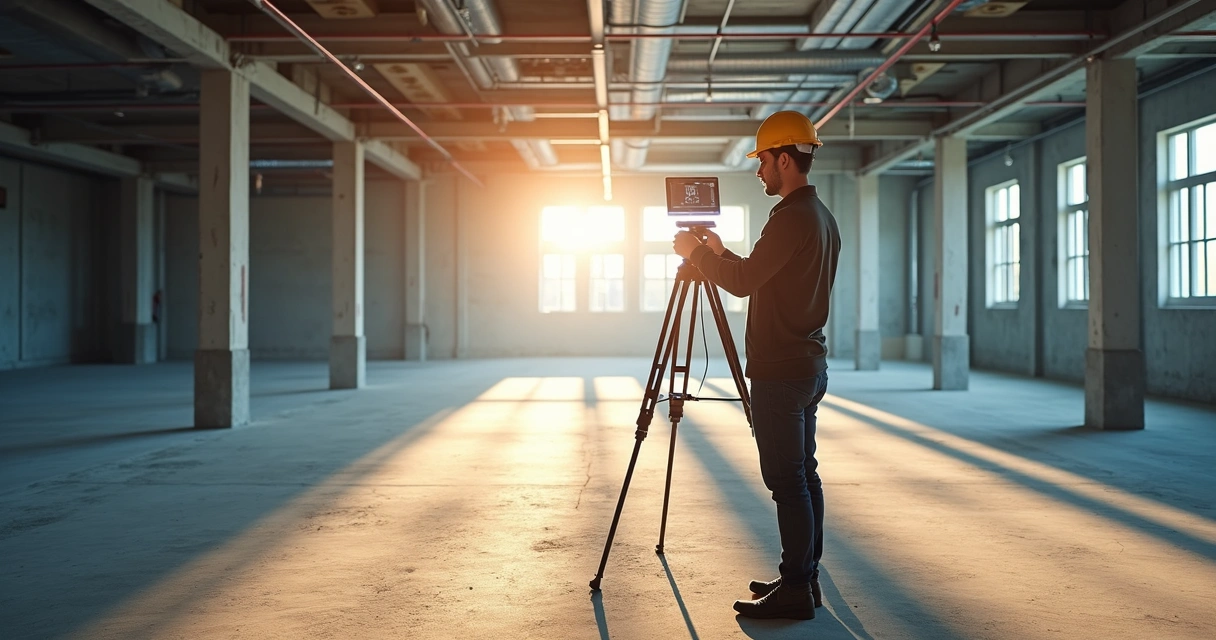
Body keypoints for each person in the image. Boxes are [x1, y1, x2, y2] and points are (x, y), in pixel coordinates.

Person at [672, 110, 841, 620]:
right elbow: (762, 273)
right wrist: (721, 253)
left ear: (785, 159)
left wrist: (695, 255)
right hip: (807, 364)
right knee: (804, 476)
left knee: (787, 482)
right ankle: (803, 577)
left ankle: (796, 590)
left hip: (781, 372)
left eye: (763, 160)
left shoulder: (790, 217)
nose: (759, 170)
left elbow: (743, 284)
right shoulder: (819, 216)